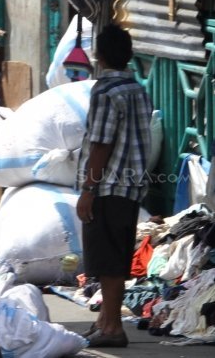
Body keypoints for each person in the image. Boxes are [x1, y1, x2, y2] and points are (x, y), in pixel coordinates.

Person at [75, 24, 152, 348]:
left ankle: (113, 328)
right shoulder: (137, 89)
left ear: (99, 55)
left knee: (107, 262)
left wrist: (88, 190)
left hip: (108, 187)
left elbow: (101, 146)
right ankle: (105, 321)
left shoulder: (105, 93)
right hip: (131, 186)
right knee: (117, 259)